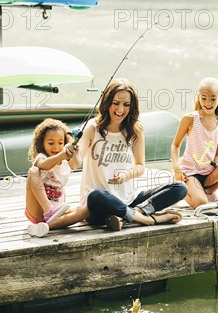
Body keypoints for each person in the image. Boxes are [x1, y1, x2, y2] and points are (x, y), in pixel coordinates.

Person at [77, 78, 187, 229]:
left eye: (126, 105)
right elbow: (74, 162)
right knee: (95, 195)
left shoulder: (135, 130)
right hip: (99, 205)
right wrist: (70, 151)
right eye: (116, 103)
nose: (120, 109)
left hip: (128, 199)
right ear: (107, 102)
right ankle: (148, 219)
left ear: (132, 106)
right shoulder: (92, 128)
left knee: (180, 188)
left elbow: (140, 166)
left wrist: (126, 175)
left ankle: (136, 213)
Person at [171, 77, 218, 208]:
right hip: (190, 173)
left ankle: (209, 191)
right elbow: (175, 145)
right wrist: (176, 169)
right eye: (204, 98)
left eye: (213, 99)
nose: (208, 103)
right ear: (198, 96)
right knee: (201, 203)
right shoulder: (190, 119)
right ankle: (181, 188)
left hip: (210, 175)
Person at [25, 118, 83, 237]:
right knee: (33, 171)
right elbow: (43, 165)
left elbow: (76, 165)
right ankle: (48, 210)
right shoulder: (42, 157)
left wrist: (74, 152)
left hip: (58, 212)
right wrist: (62, 155)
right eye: (51, 143)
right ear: (42, 143)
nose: (56, 147)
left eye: (60, 143)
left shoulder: (66, 160)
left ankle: (43, 227)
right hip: (39, 211)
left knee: (84, 209)